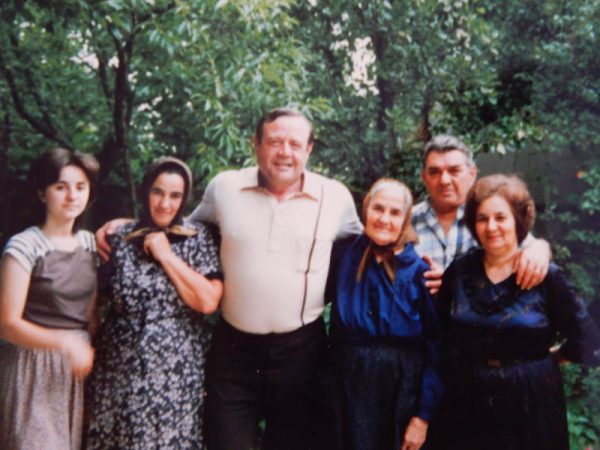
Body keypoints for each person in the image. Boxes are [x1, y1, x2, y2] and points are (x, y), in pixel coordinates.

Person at [95, 107, 363, 450]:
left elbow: (369, 244)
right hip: (235, 350)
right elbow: (180, 227)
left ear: (309, 149)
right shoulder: (225, 188)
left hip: (302, 350)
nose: (285, 152)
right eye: (275, 142)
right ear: (256, 144)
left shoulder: (335, 197)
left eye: (295, 144)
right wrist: (125, 226)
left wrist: (411, 251)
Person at [430, 174, 600, 450]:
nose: (491, 226)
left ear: (518, 221)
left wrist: (550, 359)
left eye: (501, 217)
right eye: (482, 218)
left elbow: (585, 338)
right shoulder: (460, 270)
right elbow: (438, 330)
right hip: (466, 401)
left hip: (530, 402)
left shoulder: (545, 276)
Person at [84, 157, 223, 449]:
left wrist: (166, 256)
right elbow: (93, 298)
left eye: (175, 195)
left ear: (185, 198)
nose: (164, 204)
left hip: (174, 372)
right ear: (146, 191)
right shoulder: (119, 237)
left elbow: (208, 301)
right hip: (117, 369)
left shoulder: (199, 239)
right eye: (158, 192)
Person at [328, 178, 442, 450]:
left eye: (394, 213)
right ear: (365, 209)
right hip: (346, 388)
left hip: (399, 395)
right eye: (378, 209)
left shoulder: (420, 273)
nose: (384, 219)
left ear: (405, 220)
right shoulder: (343, 255)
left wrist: (422, 418)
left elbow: (438, 348)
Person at [0, 148, 99, 450]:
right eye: (61, 187)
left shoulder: (91, 244)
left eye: (80, 187)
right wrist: (64, 343)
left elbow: (90, 315)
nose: (72, 196)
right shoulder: (24, 246)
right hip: (33, 368)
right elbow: (7, 324)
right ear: (43, 193)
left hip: (75, 374)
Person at [413, 135, 551, 292]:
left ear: (472, 174)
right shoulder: (405, 223)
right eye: (434, 172)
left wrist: (541, 248)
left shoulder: (489, 221)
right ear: (424, 177)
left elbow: (531, 248)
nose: (444, 180)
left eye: (454, 171)